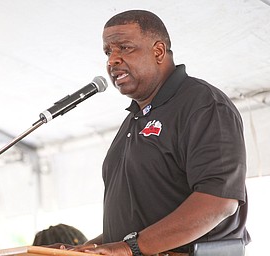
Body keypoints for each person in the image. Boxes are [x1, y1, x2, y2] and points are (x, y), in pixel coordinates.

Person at [49, 10, 251, 256]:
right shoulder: (134, 119)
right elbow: (137, 224)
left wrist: (130, 248)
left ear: (158, 51)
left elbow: (219, 201)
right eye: (107, 51)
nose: (112, 60)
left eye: (124, 48)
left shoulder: (203, 104)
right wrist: (89, 249)